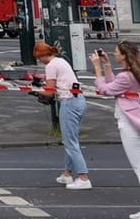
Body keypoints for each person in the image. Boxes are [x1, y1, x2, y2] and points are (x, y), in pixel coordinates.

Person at [93, 41, 140, 219]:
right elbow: (115, 86)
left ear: (124, 55)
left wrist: (98, 69)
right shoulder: (130, 74)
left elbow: (106, 90)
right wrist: (107, 64)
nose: (114, 54)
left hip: (129, 123)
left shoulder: (126, 76)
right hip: (134, 121)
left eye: (116, 52)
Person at [36, 41, 90, 190]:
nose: (39, 61)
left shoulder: (51, 66)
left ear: (43, 55)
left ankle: (83, 177)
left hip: (69, 103)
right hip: (79, 101)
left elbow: (49, 92)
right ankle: (67, 173)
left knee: (70, 142)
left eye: (39, 58)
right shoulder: (61, 61)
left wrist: (34, 90)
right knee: (71, 140)